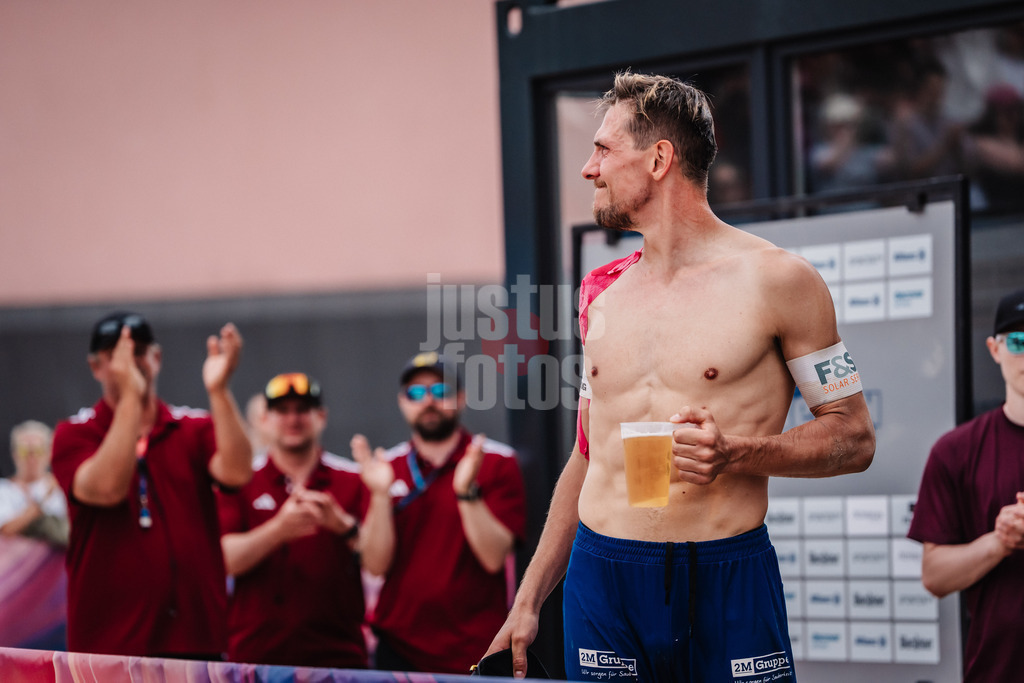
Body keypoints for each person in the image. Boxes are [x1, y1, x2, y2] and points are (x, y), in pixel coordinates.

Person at [486, 71, 876, 681]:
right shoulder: (600, 290)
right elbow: (590, 455)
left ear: (660, 158)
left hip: (724, 573)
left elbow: (853, 437)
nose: (590, 169)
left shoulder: (779, 280)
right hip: (602, 574)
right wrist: (529, 598)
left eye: (604, 149)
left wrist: (737, 453)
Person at [50, 311, 252, 659]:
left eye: (139, 351)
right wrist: (131, 396)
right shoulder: (75, 433)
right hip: (109, 649)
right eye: (117, 354)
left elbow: (237, 472)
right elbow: (107, 487)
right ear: (96, 367)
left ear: (156, 359)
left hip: (195, 642)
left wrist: (219, 392)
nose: (131, 363)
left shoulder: (191, 428)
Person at [351, 351, 527, 674]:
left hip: (475, 646)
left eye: (440, 392)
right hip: (399, 647)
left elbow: (493, 557)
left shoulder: (497, 462)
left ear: (461, 399)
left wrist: (466, 492)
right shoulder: (385, 468)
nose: (428, 401)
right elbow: (375, 565)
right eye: (416, 393)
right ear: (402, 402)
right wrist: (378, 495)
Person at [907, 287, 1024, 683]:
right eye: (1018, 341)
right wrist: (999, 541)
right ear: (994, 349)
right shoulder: (955, 452)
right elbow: (935, 576)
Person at [217, 373, 371, 668]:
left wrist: (343, 527)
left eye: (302, 410)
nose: (293, 419)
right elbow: (224, 559)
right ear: (264, 420)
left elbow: (380, 560)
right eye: (282, 411)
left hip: (339, 657)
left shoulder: (352, 480)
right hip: (255, 657)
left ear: (321, 416)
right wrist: (278, 530)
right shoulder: (241, 480)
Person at [0, 421, 68, 547]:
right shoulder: (4, 489)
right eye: (24, 451)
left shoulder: (63, 487)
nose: (31, 458)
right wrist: (39, 505)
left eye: (37, 450)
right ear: (15, 454)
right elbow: (5, 530)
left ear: (48, 453)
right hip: (19, 563)